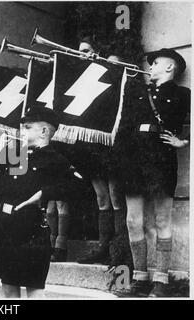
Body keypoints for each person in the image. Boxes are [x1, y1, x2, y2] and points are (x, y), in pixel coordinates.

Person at [0, 107, 81, 298]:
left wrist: (44, 193)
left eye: (27, 127)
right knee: (8, 289)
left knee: (34, 291)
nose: (22, 131)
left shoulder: (55, 159)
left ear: (44, 131)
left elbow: (79, 187)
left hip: (31, 228)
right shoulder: (11, 153)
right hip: (5, 226)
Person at [115, 48, 189, 297]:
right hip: (134, 161)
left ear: (170, 67)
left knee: (161, 221)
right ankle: (140, 278)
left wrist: (184, 140)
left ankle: (161, 280)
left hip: (161, 160)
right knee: (133, 220)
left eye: (156, 62)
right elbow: (123, 126)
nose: (152, 66)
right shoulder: (137, 93)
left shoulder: (183, 94)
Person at [69, 38, 129, 266]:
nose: (83, 54)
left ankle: (119, 249)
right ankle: (104, 247)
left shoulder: (115, 79)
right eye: (80, 51)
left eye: (87, 50)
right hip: (94, 148)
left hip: (112, 147)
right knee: (102, 198)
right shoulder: (85, 78)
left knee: (115, 197)